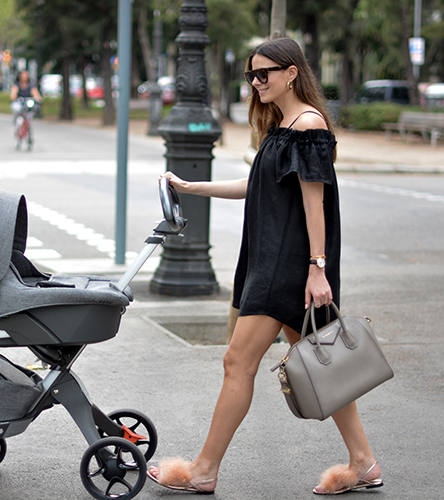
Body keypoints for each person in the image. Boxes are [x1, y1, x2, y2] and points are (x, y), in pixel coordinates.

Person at [148, 37, 383, 496]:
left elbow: (315, 204)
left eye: (265, 73)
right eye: (251, 75)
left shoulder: (308, 124)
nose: (256, 82)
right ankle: (364, 462)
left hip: (289, 268)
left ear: (292, 72)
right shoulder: (283, 125)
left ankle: (203, 469)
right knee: (326, 366)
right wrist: (191, 187)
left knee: (238, 361)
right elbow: (255, 185)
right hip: (274, 263)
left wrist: (318, 270)